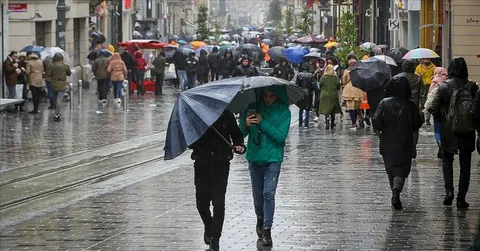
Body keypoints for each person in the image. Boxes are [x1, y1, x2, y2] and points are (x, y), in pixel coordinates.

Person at [239, 86, 291, 247]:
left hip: (273, 158)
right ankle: (260, 219)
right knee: (257, 195)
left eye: (272, 96)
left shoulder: (284, 112)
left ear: (278, 96)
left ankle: (267, 229)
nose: (268, 99)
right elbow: (239, 134)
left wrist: (263, 122)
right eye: (265, 96)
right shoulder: (252, 108)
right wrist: (245, 125)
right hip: (255, 157)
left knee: (268, 193)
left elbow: (280, 137)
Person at [189, 111, 245, 251]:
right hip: (202, 164)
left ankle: (215, 239)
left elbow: (237, 135)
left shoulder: (227, 115)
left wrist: (239, 146)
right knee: (201, 204)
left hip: (221, 163)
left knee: (218, 202)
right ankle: (209, 226)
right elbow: (190, 142)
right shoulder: (197, 116)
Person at [429, 57, 478, 209]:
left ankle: (449, 191)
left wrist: (442, 120)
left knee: (447, 160)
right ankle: (461, 197)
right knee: (465, 164)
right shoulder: (473, 87)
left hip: (448, 130)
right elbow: (477, 111)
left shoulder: (444, 87)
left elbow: (433, 108)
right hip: (467, 130)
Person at [372, 76, 423, 210]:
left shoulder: (384, 102)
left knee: (391, 169)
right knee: (401, 169)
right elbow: (417, 123)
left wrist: (381, 127)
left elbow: (376, 121)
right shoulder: (411, 104)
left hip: (387, 141)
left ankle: (394, 192)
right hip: (405, 141)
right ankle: (396, 192)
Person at [397, 59, 425, 159]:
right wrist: (422, 110)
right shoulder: (418, 79)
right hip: (414, 107)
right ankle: (413, 146)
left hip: (399, 108)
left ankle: (402, 147)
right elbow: (422, 95)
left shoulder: (396, 78)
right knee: (414, 128)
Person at [423, 67, 448, 158]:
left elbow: (431, 95)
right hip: (446, 110)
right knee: (445, 128)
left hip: (437, 110)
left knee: (437, 129)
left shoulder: (435, 81)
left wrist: (426, 107)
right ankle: (444, 145)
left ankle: (440, 144)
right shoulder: (446, 81)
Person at [46, 53, 71, 121]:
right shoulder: (64, 65)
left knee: (55, 99)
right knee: (59, 99)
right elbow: (69, 73)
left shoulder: (51, 65)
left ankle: (57, 112)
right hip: (62, 84)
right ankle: (57, 114)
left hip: (54, 84)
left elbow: (48, 74)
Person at [342, 58, 365, 128]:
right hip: (358, 89)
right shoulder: (360, 70)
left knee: (351, 107)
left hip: (349, 90)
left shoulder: (346, 71)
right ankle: (361, 118)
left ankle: (354, 123)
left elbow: (344, 81)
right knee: (358, 107)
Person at [319, 64, 342, 129]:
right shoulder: (335, 77)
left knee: (326, 109)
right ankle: (332, 123)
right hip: (333, 94)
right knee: (333, 109)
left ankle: (327, 120)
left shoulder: (323, 77)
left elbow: (320, 84)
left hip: (324, 95)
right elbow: (338, 85)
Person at [415, 58, 436, 125]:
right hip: (422, 85)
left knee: (430, 102)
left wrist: (433, 77)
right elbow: (415, 75)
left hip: (431, 85)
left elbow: (435, 75)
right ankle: (422, 118)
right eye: (425, 59)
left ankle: (427, 119)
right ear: (423, 60)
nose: (427, 61)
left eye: (428, 59)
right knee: (422, 102)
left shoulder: (434, 67)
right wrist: (419, 75)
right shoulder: (419, 67)